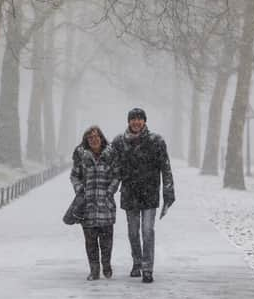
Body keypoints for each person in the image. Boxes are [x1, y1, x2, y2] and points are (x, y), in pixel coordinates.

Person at [111, 108, 175, 283]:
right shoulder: (119, 142)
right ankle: (137, 262)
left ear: (145, 121)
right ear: (128, 121)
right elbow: (111, 165)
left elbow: (166, 168)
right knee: (133, 232)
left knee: (147, 231)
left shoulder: (156, 141)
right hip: (130, 192)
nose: (136, 122)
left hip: (149, 192)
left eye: (140, 119)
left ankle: (148, 268)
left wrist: (168, 191)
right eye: (133, 119)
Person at [70, 125, 120, 280]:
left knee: (106, 242)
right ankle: (94, 270)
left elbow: (117, 175)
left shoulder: (110, 155)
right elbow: (74, 176)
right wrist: (79, 189)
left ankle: (106, 265)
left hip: (106, 206)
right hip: (88, 205)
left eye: (96, 136)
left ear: (101, 138)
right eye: (90, 137)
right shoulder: (82, 156)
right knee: (90, 242)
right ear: (86, 140)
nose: (94, 140)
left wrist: (110, 191)